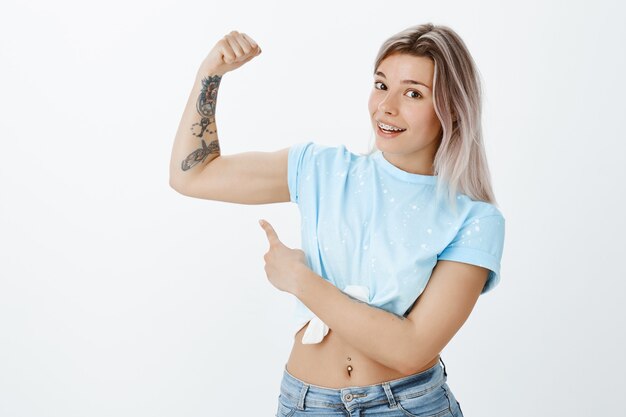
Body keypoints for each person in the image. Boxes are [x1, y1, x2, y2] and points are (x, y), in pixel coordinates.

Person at [169, 23, 505, 417]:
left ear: (452, 108)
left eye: (413, 93)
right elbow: (192, 175)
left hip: (408, 406)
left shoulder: (474, 219)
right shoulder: (322, 170)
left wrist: (300, 280)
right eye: (381, 85)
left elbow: (410, 348)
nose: (387, 106)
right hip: (306, 404)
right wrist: (209, 75)